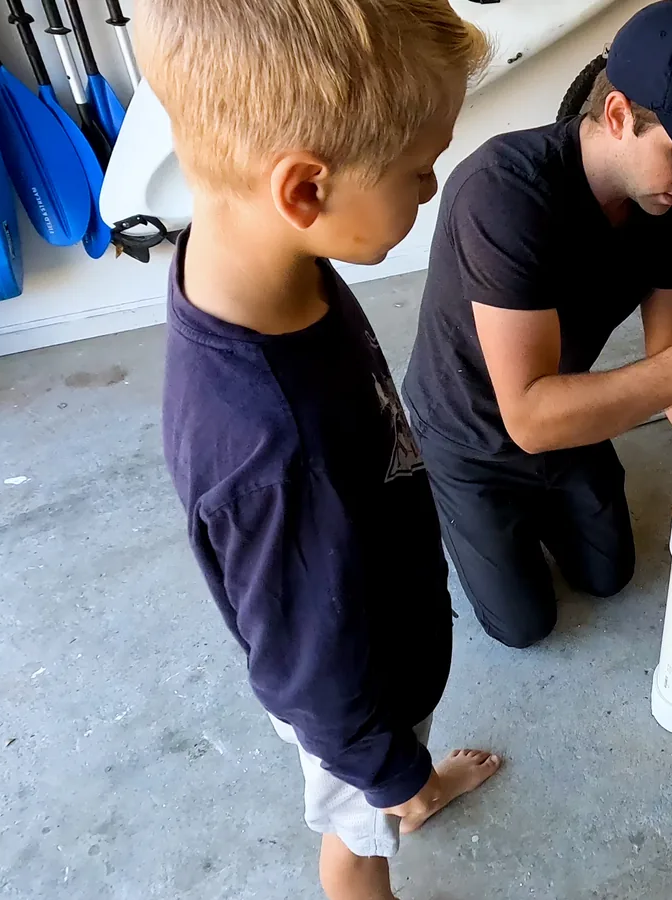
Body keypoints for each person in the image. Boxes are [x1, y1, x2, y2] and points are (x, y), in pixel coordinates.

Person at [144, 2, 502, 898]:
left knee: (396, 778)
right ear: (304, 190)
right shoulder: (271, 456)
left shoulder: (258, 252)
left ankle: (411, 783)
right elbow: (307, 671)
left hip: (375, 612)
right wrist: (390, 775)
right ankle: (406, 802)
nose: (430, 189)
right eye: (420, 171)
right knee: (360, 844)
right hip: (352, 706)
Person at [401, 0, 672, 650]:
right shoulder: (503, 193)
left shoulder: (664, 202)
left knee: (609, 577)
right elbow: (530, 419)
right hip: (471, 436)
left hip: (564, 410)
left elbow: (671, 346)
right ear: (619, 115)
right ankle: (447, 501)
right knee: (523, 627)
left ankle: (549, 496)